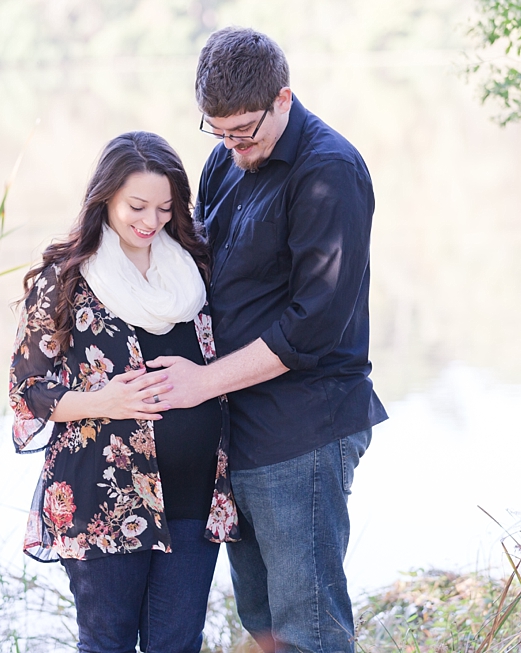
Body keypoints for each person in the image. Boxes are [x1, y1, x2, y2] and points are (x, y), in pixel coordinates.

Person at [145, 28, 388, 653]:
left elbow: (313, 324)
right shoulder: (225, 159)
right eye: (218, 132)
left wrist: (201, 383)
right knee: (264, 628)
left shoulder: (328, 171)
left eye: (245, 131)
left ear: (283, 98)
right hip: (239, 435)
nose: (232, 147)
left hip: (302, 433)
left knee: (309, 633)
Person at [9, 131, 240, 653]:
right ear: (106, 197)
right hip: (103, 498)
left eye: (164, 208)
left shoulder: (194, 269)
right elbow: (27, 391)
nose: (150, 221)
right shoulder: (65, 279)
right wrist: (101, 401)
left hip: (192, 497)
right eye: (137, 205)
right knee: (106, 644)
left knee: (178, 645)